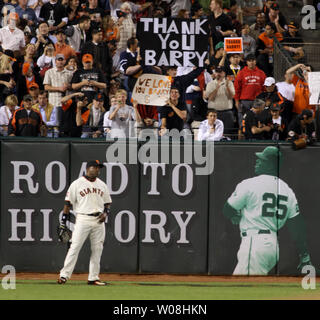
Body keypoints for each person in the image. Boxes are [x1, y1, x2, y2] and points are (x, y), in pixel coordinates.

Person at [223, 146, 313, 275]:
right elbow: (297, 226)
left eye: (262, 159)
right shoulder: (287, 189)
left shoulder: (250, 184)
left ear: (271, 165)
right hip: (272, 245)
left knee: (245, 290)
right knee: (242, 290)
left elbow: (227, 209)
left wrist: (236, 215)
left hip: (254, 244)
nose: (257, 161)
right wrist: (304, 254)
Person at [57, 160, 112, 285]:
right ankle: (64, 275)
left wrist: (106, 213)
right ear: (89, 168)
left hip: (98, 220)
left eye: (99, 168)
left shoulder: (102, 184)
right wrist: (63, 222)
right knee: (75, 247)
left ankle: (93, 277)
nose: (98, 170)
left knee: (97, 249)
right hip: (83, 218)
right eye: (96, 167)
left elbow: (107, 203)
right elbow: (67, 204)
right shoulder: (77, 184)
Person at [234, 54, 266, 128]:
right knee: (243, 120)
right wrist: (236, 101)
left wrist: (264, 100)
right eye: (249, 61)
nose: (251, 62)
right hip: (245, 101)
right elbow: (237, 88)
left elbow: (264, 87)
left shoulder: (261, 73)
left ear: (256, 62)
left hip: (258, 101)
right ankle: (242, 134)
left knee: (257, 120)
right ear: (246, 62)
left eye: (253, 60)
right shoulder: (241, 73)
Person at [204, 66, 235, 134]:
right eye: (217, 72)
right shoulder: (210, 84)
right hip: (213, 113)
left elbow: (231, 97)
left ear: (224, 73)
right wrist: (216, 88)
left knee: (227, 134)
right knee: (213, 133)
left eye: (220, 72)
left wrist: (227, 87)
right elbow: (210, 98)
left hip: (227, 112)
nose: (218, 74)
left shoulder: (229, 83)